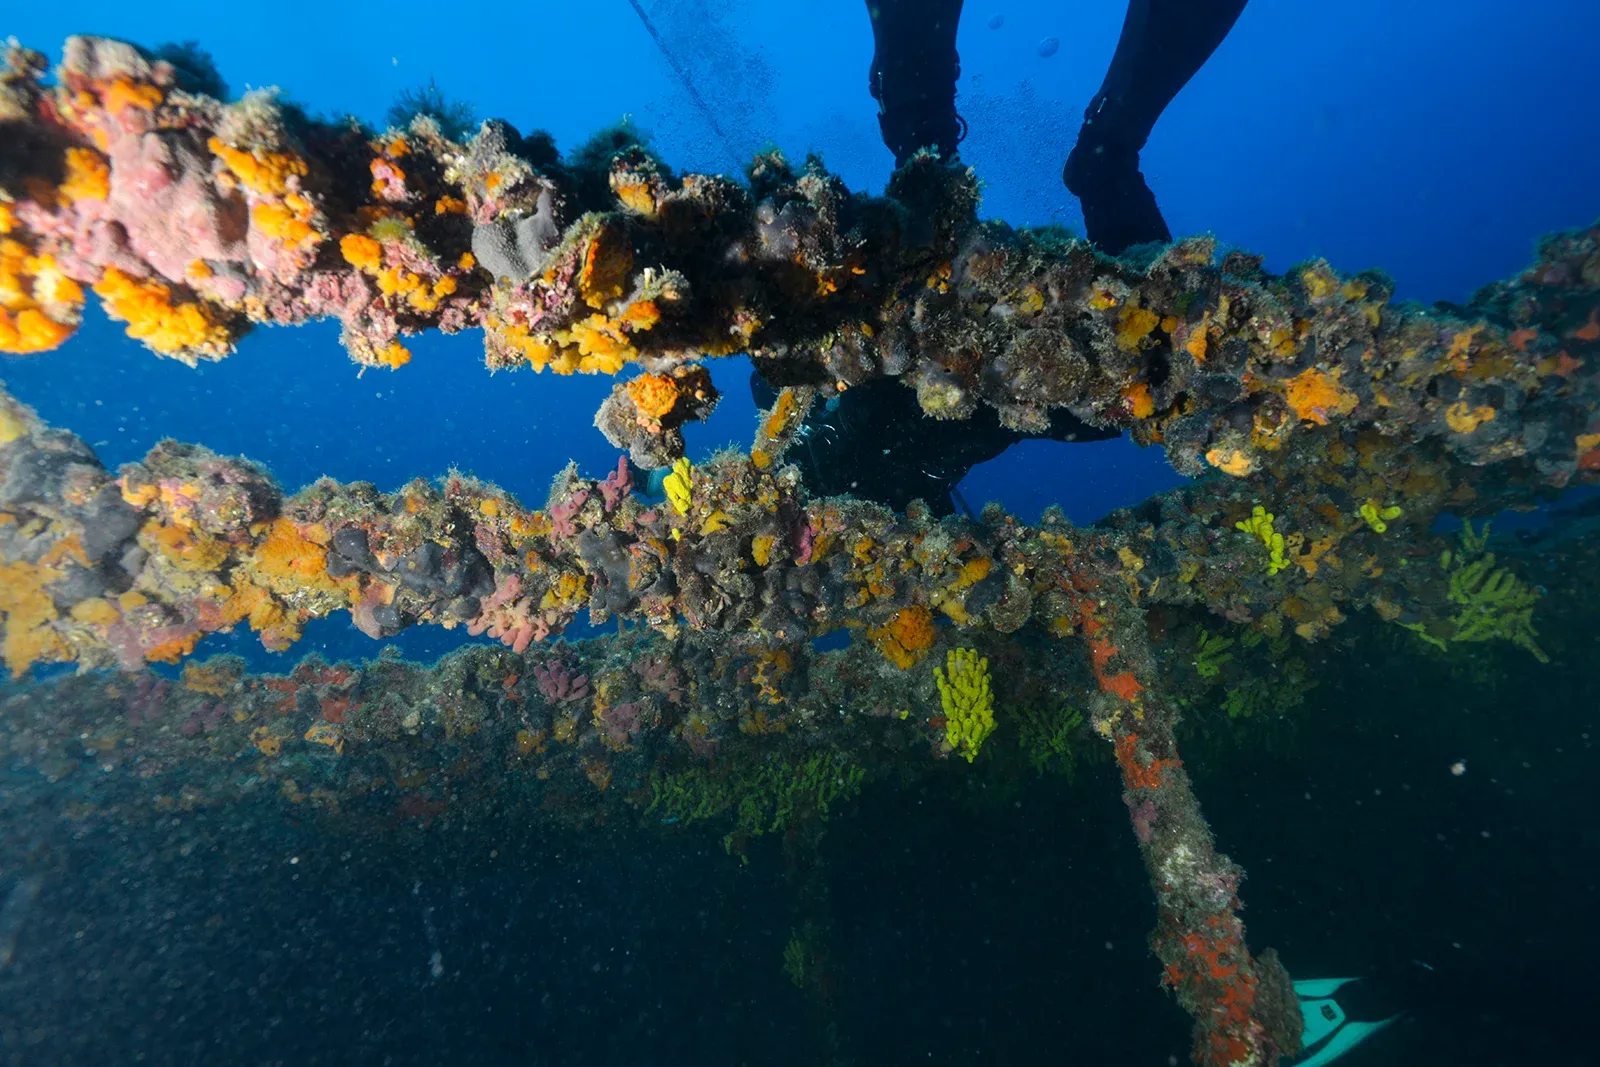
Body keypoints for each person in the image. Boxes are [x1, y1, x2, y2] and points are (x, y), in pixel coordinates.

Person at [756, 1, 1250, 516]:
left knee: (929, 182)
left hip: (927, 319)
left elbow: (777, 363)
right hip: (1001, 399)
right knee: (1156, 370)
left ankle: (934, 157)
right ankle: (1105, 157)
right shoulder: (906, 524)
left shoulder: (788, 442)